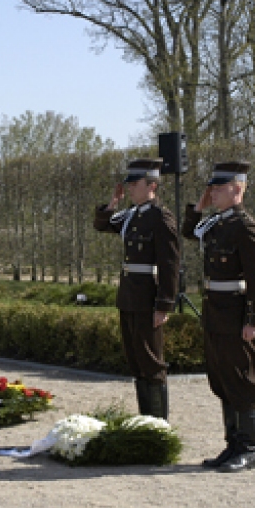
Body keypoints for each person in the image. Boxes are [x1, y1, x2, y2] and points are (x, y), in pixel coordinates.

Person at [181, 162, 255, 473]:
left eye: (218, 188)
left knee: (241, 377)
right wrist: (198, 207)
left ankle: (248, 447)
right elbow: (189, 231)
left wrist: (254, 319)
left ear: (237, 189)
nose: (213, 192)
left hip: (234, 310)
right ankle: (232, 444)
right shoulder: (217, 223)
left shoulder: (246, 226)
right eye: (212, 188)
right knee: (221, 376)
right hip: (215, 309)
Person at [93, 158, 180, 418]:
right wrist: (113, 204)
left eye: (135, 183)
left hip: (148, 297)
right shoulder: (132, 215)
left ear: (152, 185)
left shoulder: (161, 217)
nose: (129, 187)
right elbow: (102, 224)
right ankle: (146, 419)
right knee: (136, 361)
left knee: (151, 361)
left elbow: (170, 264)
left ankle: (158, 424)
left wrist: (164, 304)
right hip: (129, 296)